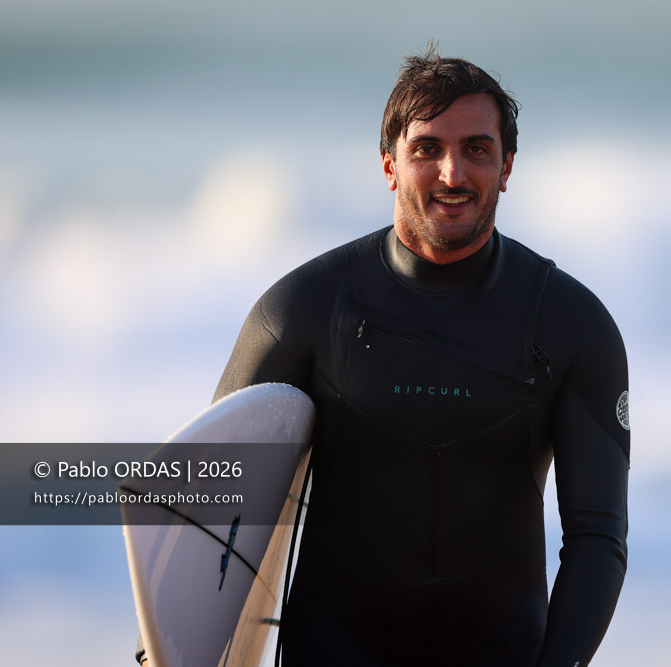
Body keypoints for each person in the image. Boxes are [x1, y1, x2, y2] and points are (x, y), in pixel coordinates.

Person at [138, 44, 629, 667]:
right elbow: (209, 518)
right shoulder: (302, 311)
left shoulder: (571, 325)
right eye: (427, 149)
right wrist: (155, 655)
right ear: (390, 165)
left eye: (477, 149)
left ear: (506, 166)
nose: (452, 173)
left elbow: (597, 537)